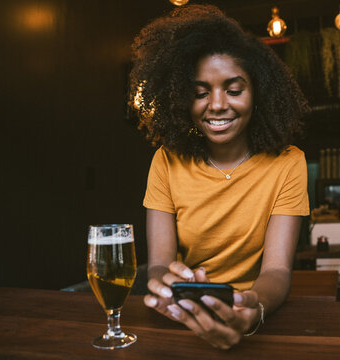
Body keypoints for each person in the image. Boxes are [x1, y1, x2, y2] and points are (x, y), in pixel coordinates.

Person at [129, 4, 310, 349]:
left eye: (234, 89)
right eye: (200, 92)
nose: (216, 104)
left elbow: (277, 272)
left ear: (258, 95)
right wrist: (166, 283)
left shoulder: (288, 163)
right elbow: (158, 264)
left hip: (253, 312)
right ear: (183, 99)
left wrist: (252, 308)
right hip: (182, 316)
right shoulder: (166, 161)